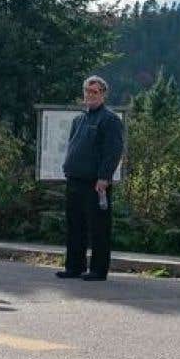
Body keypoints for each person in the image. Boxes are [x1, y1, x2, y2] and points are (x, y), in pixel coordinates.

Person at [56, 75, 123, 282]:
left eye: (95, 91)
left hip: (96, 183)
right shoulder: (79, 119)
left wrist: (104, 177)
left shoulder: (110, 119)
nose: (90, 95)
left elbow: (113, 151)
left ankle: (98, 270)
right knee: (75, 225)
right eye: (87, 91)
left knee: (98, 227)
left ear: (103, 94)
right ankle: (74, 266)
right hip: (75, 179)